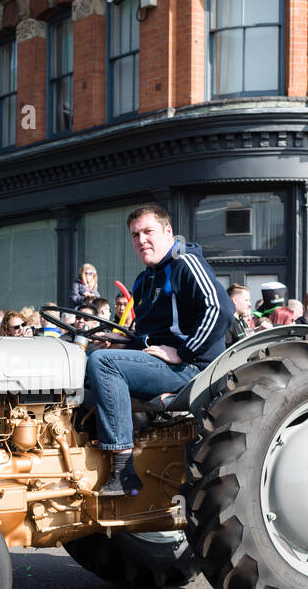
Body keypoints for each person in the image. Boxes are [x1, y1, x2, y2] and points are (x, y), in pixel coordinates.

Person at [85, 205, 232, 496]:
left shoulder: (185, 263)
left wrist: (185, 352)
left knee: (103, 363)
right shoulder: (145, 280)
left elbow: (220, 309)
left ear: (167, 232)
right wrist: (118, 343)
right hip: (163, 364)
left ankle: (123, 467)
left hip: (192, 369)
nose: (141, 240)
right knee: (88, 359)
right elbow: (147, 338)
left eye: (148, 232)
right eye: (135, 235)